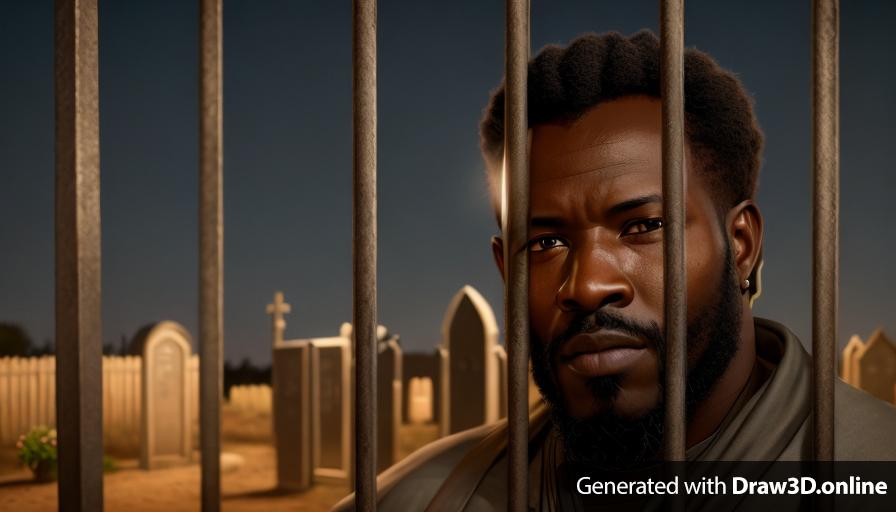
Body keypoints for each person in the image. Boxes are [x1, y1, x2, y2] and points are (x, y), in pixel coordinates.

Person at [334, 30, 896, 511]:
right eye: (545, 241)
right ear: (507, 271)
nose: (586, 284)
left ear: (742, 244)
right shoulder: (419, 500)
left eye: (643, 227)